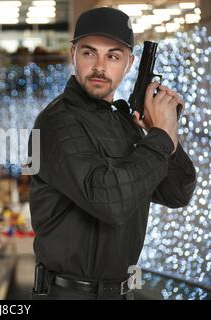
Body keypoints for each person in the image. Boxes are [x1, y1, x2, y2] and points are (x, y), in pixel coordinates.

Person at [29, 7, 196, 300]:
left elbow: (177, 193)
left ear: (129, 64)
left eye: (113, 56)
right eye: (89, 53)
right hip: (69, 295)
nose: (99, 66)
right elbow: (109, 201)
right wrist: (157, 138)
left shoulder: (124, 123)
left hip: (121, 293)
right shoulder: (55, 123)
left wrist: (165, 131)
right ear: (73, 56)